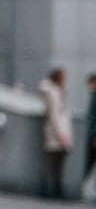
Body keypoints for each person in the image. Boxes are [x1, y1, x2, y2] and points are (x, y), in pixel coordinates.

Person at [39, 66, 74, 199]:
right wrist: (60, 134)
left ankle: (56, 190)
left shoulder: (59, 91)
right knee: (52, 163)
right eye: (64, 76)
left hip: (62, 131)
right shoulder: (52, 93)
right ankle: (48, 190)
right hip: (56, 133)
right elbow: (53, 115)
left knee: (58, 164)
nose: (66, 79)